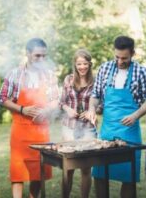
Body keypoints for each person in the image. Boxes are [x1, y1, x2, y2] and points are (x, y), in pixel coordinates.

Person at [87, 36, 146, 198]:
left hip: (129, 131)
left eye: (124, 58)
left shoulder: (141, 72)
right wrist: (91, 109)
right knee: (100, 174)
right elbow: (95, 95)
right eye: (117, 57)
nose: (119, 61)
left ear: (133, 54)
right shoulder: (105, 68)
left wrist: (136, 115)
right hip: (107, 131)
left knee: (128, 177)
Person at [0, 38, 59, 198]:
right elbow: (2, 98)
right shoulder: (15, 73)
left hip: (41, 131)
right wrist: (23, 109)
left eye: (44, 56)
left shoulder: (49, 75)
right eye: (37, 56)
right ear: (27, 54)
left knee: (38, 171)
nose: (41, 60)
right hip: (20, 130)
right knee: (17, 171)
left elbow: (55, 100)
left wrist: (47, 110)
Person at [60, 49, 97, 198]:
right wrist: (68, 109)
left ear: (90, 64)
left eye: (85, 63)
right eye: (79, 64)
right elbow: (61, 102)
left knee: (86, 169)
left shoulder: (95, 81)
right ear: (75, 65)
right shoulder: (68, 79)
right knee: (68, 168)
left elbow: (101, 105)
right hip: (69, 127)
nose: (82, 67)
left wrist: (91, 111)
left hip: (88, 129)